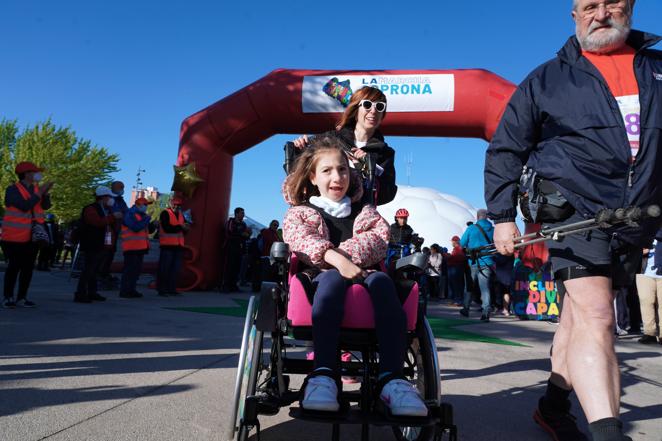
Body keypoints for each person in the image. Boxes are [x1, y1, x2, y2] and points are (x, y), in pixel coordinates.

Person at [485, 2, 661, 440]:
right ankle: (607, 433)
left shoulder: (657, 70)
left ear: (631, 7)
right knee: (598, 315)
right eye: (589, 6)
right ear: (574, 15)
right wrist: (502, 216)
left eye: (612, 3)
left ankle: (552, 406)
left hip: (637, 215)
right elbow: (506, 147)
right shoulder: (547, 78)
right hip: (573, 212)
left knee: (576, 320)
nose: (601, 13)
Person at [282, 136, 427, 417]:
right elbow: (299, 239)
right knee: (332, 281)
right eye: (327, 171)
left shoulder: (365, 211)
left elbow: (379, 237)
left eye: (343, 169)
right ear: (312, 177)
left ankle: (392, 379)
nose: (337, 177)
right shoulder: (300, 212)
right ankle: (323, 375)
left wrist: (346, 258)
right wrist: (335, 259)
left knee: (384, 282)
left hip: (364, 273)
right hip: (321, 274)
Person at [293, 86, 397, 206]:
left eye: (379, 107)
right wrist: (299, 150)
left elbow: (387, 195)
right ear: (355, 109)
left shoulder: (385, 153)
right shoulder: (331, 139)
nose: (373, 111)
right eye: (367, 105)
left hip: (359, 216)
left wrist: (369, 169)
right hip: (325, 213)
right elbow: (299, 174)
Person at [1, 161, 53, 308]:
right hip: (14, 236)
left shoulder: (37, 189)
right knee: (14, 267)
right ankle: (8, 297)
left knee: (28, 268)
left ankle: (22, 298)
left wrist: (46, 193)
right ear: (26, 174)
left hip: (33, 235)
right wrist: (40, 192)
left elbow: (45, 206)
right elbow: (24, 206)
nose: (38, 174)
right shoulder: (12, 190)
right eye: (35, 172)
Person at [74, 186, 122, 303]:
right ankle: (80, 293)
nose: (111, 199)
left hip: (103, 244)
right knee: (89, 269)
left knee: (95, 270)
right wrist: (113, 217)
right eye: (109, 197)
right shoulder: (91, 209)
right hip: (92, 243)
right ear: (103, 197)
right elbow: (97, 222)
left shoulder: (106, 210)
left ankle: (92, 292)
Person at [459, 210, 494, 321]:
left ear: (477, 217)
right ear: (487, 217)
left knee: (469, 287)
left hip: (472, 262)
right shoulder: (493, 229)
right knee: (485, 289)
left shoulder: (471, 228)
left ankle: (466, 308)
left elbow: (462, 243)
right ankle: (486, 312)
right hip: (487, 262)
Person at [119, 197, 155, 298]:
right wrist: (147, 218)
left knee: (135, 271)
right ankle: (125, 291)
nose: (146, 207)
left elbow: (146, 230)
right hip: (131, 247)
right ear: (139, 204)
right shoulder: (130, 214)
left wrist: (153, 225)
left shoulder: (141, 215)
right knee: (129, 270)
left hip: (140, 247)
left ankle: (131, 290)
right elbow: (135, 227)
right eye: (145, 205)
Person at [97, 180, 128, 288]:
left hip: (114, 231)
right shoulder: (110, 200)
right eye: (121, 187)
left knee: (110, 252)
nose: (122, 190)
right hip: (108, 231)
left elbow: (125, 213)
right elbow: (116, 214)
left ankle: (104, 273)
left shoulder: (120, 200)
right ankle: (100, 275)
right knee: (106, 252)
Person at [157, 196, 189, 296]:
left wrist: (185, 229)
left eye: (178, 205)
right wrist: (181, 227)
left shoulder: (180, 215)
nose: (176, 206)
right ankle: (162, 289)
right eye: (175, 204)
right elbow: (167, 228)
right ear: (171, 203)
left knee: (174, 270)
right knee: (165, 269)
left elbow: (183, 230)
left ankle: (171, 289)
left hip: (178, 246)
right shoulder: (165, 213)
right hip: (167, 246)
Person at [635, 233, 662, 345]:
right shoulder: (644, 235)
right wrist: (640, 252)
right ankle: (649, 333)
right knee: (646, 302)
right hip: (645, 272)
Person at [222, 207, 251, 292]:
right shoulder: (231, 222)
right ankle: (225, 286)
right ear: (236, 214)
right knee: (229, 266)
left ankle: (233, 285)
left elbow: (247, 235)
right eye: (241, 213)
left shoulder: (243, 224)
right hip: (231, 246)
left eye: (243, 213)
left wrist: (248, 234)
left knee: (237, 267)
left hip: (240, 248)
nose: (243, 215)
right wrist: (242, 234)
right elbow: (229, 232)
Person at [446, 235, 467, 306]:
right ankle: (456, 300)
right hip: (455, 268)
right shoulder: (457, 249)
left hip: (455, 268)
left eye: (452, 241)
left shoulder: (458, 249)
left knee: (456, 285)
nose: (451, 242)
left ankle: (458, 301)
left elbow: (459, 258)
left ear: (455, 241)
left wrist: (449, 257)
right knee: (456, 285)